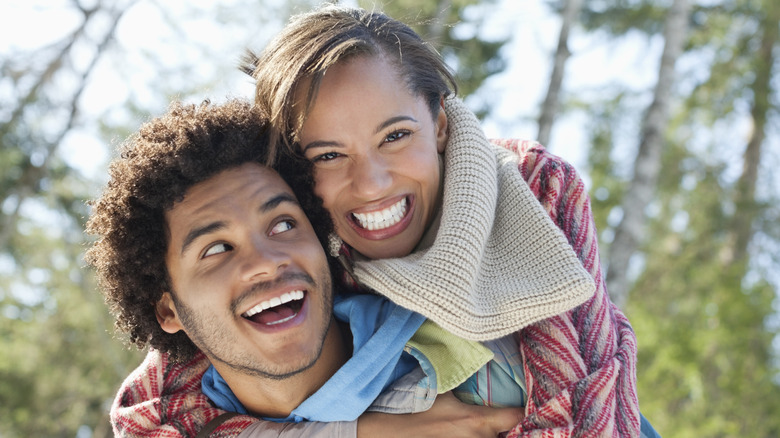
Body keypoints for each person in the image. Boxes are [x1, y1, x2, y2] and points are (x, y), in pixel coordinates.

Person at [110, 4, 660, 437]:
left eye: (395, 136)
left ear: (440, 124)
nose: (371, 183)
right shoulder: (296, 248)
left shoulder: (527, 189)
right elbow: (149, 414)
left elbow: (591, 408)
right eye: (327, 155)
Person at [86, 98, 525, 438]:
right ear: (168, 311)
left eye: (282, 224)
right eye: (217, 248)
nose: (266, 260)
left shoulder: (486, 362)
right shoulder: (172, 415)